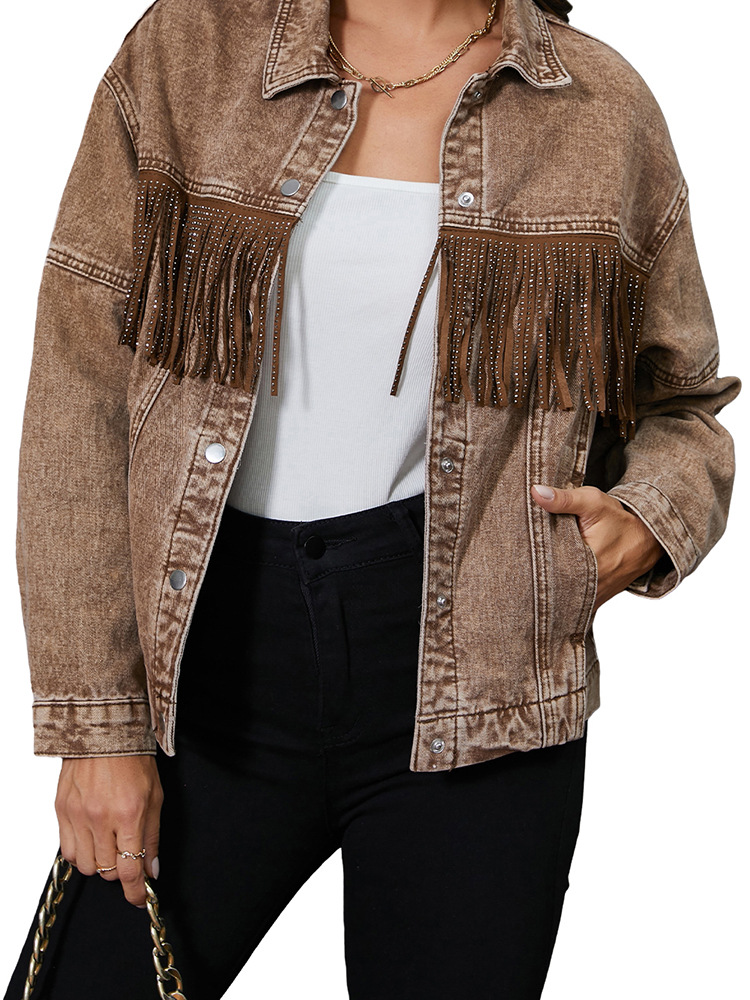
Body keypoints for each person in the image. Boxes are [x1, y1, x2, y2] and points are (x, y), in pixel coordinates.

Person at [3, 0, 741, 997]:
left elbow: (684, 404)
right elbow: (79, 389)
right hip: (208, 669)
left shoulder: (598, 105)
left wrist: (647, 520)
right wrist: (99, 728)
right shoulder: (191, 49)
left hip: (483, 692)